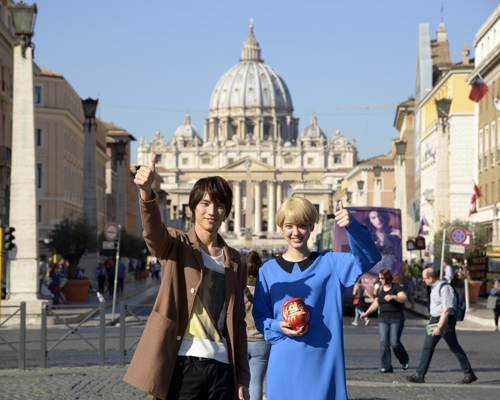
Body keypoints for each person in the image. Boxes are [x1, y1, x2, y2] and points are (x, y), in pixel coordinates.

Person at [124, 155, 250, 400]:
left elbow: (239, 325)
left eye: (220, 206)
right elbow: (153, 233)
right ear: (193, 206)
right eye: (205, 203)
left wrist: (243, 378)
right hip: (182, 363)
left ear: (226, 213)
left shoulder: (236, 262)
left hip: (221, 367)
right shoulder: (176, 244)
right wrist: (147, 194)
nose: (212, 211)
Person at [252, 198, 381, 400]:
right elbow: (260, 317)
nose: (296, 232)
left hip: (323, 363)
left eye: (302, 225)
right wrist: (279, 326)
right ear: (281, 228)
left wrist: (352, 226)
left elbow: (370, 256)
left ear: (312, 226)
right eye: (289, 226)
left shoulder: (331, 263)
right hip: (283, 364)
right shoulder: (267, 270)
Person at [406, 268, 477, 384]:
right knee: (427, 346)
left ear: (430, 278)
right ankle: (419, 375)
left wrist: (439, 327)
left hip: (445, 322)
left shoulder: (445, 288)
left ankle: (469, 373)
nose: (423, 281)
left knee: (455, 347)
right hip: (434, 320)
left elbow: (447, 310)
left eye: (424, 279)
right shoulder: (433, 288)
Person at [361, 268, 409, 373]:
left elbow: (404, 299)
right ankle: (386, 366)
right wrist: (366, 313)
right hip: (383, 319)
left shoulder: (396, 287)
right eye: (379, 278)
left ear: (387, 278)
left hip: (396, 319)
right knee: (383, 342)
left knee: (395, 343)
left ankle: (404, 359)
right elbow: (376, 303)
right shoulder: (380, 288)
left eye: (382, 278)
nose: (380, 280)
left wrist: (393, 296)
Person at [244, 250, 270, 400]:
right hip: (261, 339)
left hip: (241, 339)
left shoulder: (237, 288)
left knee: (238, 381)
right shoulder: (266, 289)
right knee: (256, 381)